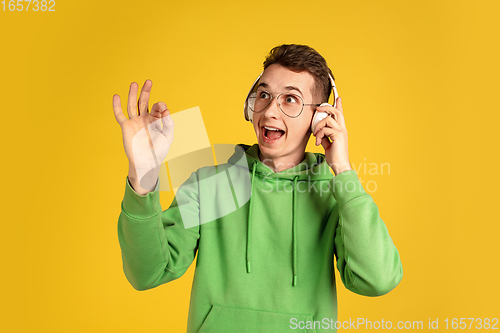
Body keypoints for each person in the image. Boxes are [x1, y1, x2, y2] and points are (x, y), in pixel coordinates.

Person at [113, 44, 403, 333]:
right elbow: (146, 273)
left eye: (290, 99)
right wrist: (143, 174)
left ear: (320, 118)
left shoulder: (335, 195)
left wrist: (343, 170)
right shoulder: (209, 185)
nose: (269, 111)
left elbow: (377, 280)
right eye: (263, 95)